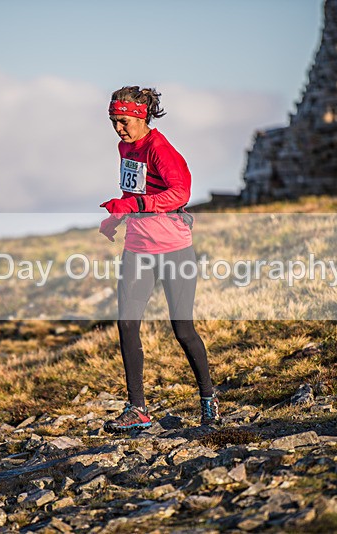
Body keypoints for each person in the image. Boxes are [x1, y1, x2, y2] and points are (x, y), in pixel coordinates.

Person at [98, 86, 220, 432]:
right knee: (127, 324)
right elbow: (134, 191)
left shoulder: (159, 148)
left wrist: (133, 206)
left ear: (140, 117)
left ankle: (209, 400)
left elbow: (181, 192)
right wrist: (116, 217)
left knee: (182, 330)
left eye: (122, 121)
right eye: (113, 122)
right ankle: (137, 408)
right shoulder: (126, 147)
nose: (118, 129)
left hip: (173, 248)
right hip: (138, 248)